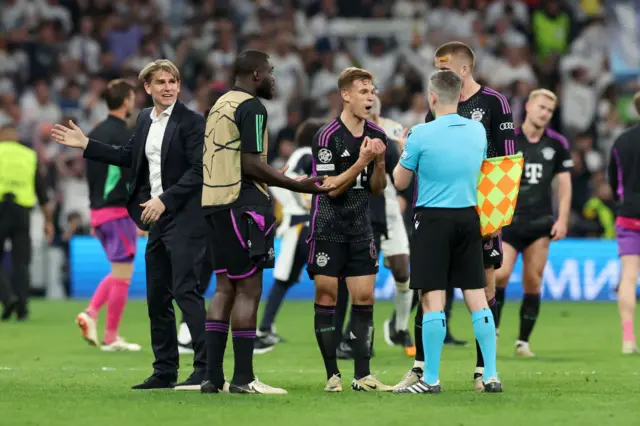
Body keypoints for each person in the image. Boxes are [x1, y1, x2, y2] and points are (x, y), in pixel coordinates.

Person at [52, 60, 208, 390]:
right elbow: (128, 156)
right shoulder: (143, 121)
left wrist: (165, 198)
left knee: (185, 292)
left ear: (179, 86)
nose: (168, 86)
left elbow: (199, 170)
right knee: (157, 298)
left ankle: (205, 370)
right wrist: (87, 145)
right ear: (147, 89)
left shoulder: (192, 122)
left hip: (184, 218)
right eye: (161, 82)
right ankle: (165, 371)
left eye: (173, 81)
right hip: (156, 220)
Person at [199, 50, 332, 395]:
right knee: (249, 289)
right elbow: (251, 163)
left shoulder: (219, 105)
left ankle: (213, 378)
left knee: (225, 287)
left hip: (214, 202)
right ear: (256, 74)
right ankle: (243, 379)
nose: (273, 78)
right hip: (243, 204)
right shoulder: (252, 108)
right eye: (271, 72)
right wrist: (295, 184)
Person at [395, 41, 515, 392]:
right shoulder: (475, 130)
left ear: (434, 96)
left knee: (433, 296)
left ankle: (431, 377)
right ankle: (488, 374)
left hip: (438, 217)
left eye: (443, 67)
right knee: (476, 295)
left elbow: (502, 167)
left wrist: (406, 150)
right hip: (470, 215)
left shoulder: (428, 129)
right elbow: (484, 163)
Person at [307, 67, 393, 393]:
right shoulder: (326, 137)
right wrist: (361, 161)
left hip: (361, 228)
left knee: (365, 298)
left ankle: (363, 375)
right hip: (328, 227)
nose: (370, 97)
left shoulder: (377, 135)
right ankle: (332, 375)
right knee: (327, 297)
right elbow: (329, 189)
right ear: (346, 95)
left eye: (372, 91)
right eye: (363, 92)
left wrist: (380, 161)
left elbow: (377, 188)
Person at [493, 89, 572, 357]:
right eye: (541, 107)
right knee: (500, 274)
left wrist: (562, 219)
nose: (544, 113)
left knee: (533, 280)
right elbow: (493, 176)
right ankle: (493, 330)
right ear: (527, 106)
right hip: (509, 221)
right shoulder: (509, 139)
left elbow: (564, 184)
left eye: (549, 110)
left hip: (540, 222)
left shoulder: (557, 144)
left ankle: (523, 342)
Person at [335, 95, 415, 359]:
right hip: (359, 208)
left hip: (387, 207)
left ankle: (399, 326)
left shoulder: (391, 132)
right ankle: (354, 337)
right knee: (358, 279)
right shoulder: (345, 133)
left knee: (403, 271)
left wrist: (404, 195)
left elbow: (404, 167)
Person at [75, 79, 142, 352]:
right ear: (126, 101)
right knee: (123, 274)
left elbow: (91, 177)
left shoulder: (93, 133)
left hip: (98, 212)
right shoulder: (127, 134)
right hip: (117, 212)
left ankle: (94, 319)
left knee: (118, 271)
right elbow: (131, 176)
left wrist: (96, 211)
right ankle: (107, 332)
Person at [254, 118, 325, 354]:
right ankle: (263, 329)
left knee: (285, 280)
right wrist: (304, 203)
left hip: (301, 226)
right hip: (301, 226)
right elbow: (281, 182)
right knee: (290, 279)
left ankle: (265, 327)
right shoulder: (305, 155)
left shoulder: (299, 155)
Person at [0, 123, 54, 321]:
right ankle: (22, 307)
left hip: (1, 208)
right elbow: (41, 192)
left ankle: (8, 297)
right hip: (22, 212)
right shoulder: (28, 156)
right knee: (21, 261)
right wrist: (48, 221)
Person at [608, 91, 640, 354]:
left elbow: (613, 181)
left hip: (628, 215)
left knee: (628, 278)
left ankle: (628, 339)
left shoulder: (621, 141)